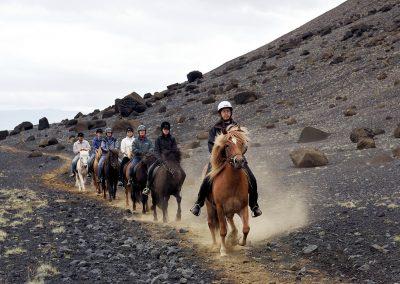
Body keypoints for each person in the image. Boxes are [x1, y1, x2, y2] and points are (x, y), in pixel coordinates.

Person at [190, 100, 262, 217]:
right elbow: (210, 145)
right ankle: (198, 204)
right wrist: (219, 155)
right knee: (207, 179)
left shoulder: (237, 127)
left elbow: (244, 143)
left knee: (252, 178)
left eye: (228, 111)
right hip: (219, 160)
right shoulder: (215, 128)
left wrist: (240, 153)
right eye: (224, 111)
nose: (226, 113)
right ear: (220, 113)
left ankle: (254, 205)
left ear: (231, 112)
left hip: (237, 158)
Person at [143, 121, 177, 194]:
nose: (166, 131)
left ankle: (178, 187)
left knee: (181, 172)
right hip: (160, 159)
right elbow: (156, 151)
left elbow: (175, 149)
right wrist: (160, 159)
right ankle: (148, 187)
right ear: (162, 130)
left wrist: (172, 156)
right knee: (150, 170)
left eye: (167, 129)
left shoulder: (172, 139)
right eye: (165, 129)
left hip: (170, 159)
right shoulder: (158, 139)